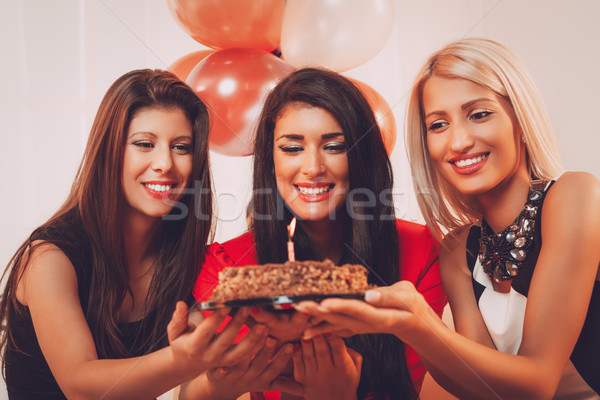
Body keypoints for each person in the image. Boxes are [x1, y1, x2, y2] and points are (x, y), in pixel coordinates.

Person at [296, 38, 600, 399]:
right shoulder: (457, 250)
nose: (457, 142)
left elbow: (538, 383)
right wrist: (402, 326)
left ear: (519, 118)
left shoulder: (574, 194)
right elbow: (485, 390)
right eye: (438, 124)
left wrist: (419, 321)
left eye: (479, 114)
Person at [0, 69, 280, 399]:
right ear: (110, 151)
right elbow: (79, 385)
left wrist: (222, 380)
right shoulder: (50, 258)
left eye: (181, 147)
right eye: (144, 144)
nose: (164, 163)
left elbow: (189, 392)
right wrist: (182, 360)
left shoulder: (184, 261)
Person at [194, 67, 447, 400]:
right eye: (292, 148)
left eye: (335, 146)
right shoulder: (225, 267)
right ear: (270, 161)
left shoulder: (419, 252)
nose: (312, 167)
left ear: (361, 155)